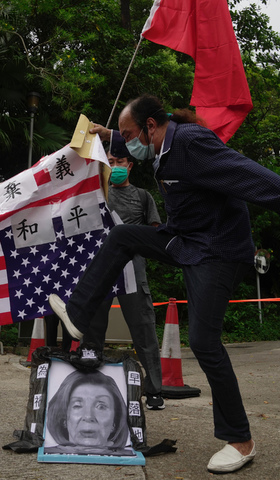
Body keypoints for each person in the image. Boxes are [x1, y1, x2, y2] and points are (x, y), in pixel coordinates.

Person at [48, 94, 280, 473]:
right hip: (186, 242)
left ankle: (240, 440)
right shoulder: (162, 143)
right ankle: (78, 312)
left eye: (129, 134)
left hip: (218, 252)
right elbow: (130, 141)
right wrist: (108, 134)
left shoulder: (191, 143)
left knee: (204, 340)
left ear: (151, 127)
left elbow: (251, 176)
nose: (127, 144)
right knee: (121, 238)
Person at [85, 148, 165, 410]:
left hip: (133, 268)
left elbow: (156, 234)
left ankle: (154, 390)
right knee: (92, 327)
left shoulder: (143, 197)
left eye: (120, 162)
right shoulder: (95, 193)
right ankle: (87, 382)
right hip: (100, 267)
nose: (115, 166)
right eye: (110, 162)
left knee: (143, 328)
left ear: (129, 166)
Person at [45, 369, 131, 456]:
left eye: (101, 407)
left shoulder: (130, 456)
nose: (88, 416)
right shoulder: (46, 453)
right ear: (64, 419)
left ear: (115, 422)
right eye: (77, 405)